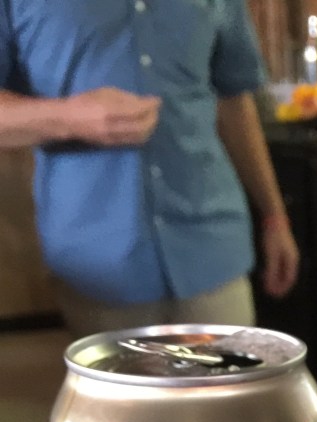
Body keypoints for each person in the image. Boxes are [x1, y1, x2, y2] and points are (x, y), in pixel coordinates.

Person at [0, 0, 299, 338]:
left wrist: (275, 216)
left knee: (231, 373)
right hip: (98, 263)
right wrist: (69, 117)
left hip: (213, 245)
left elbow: (234, 102)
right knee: (118, 376)